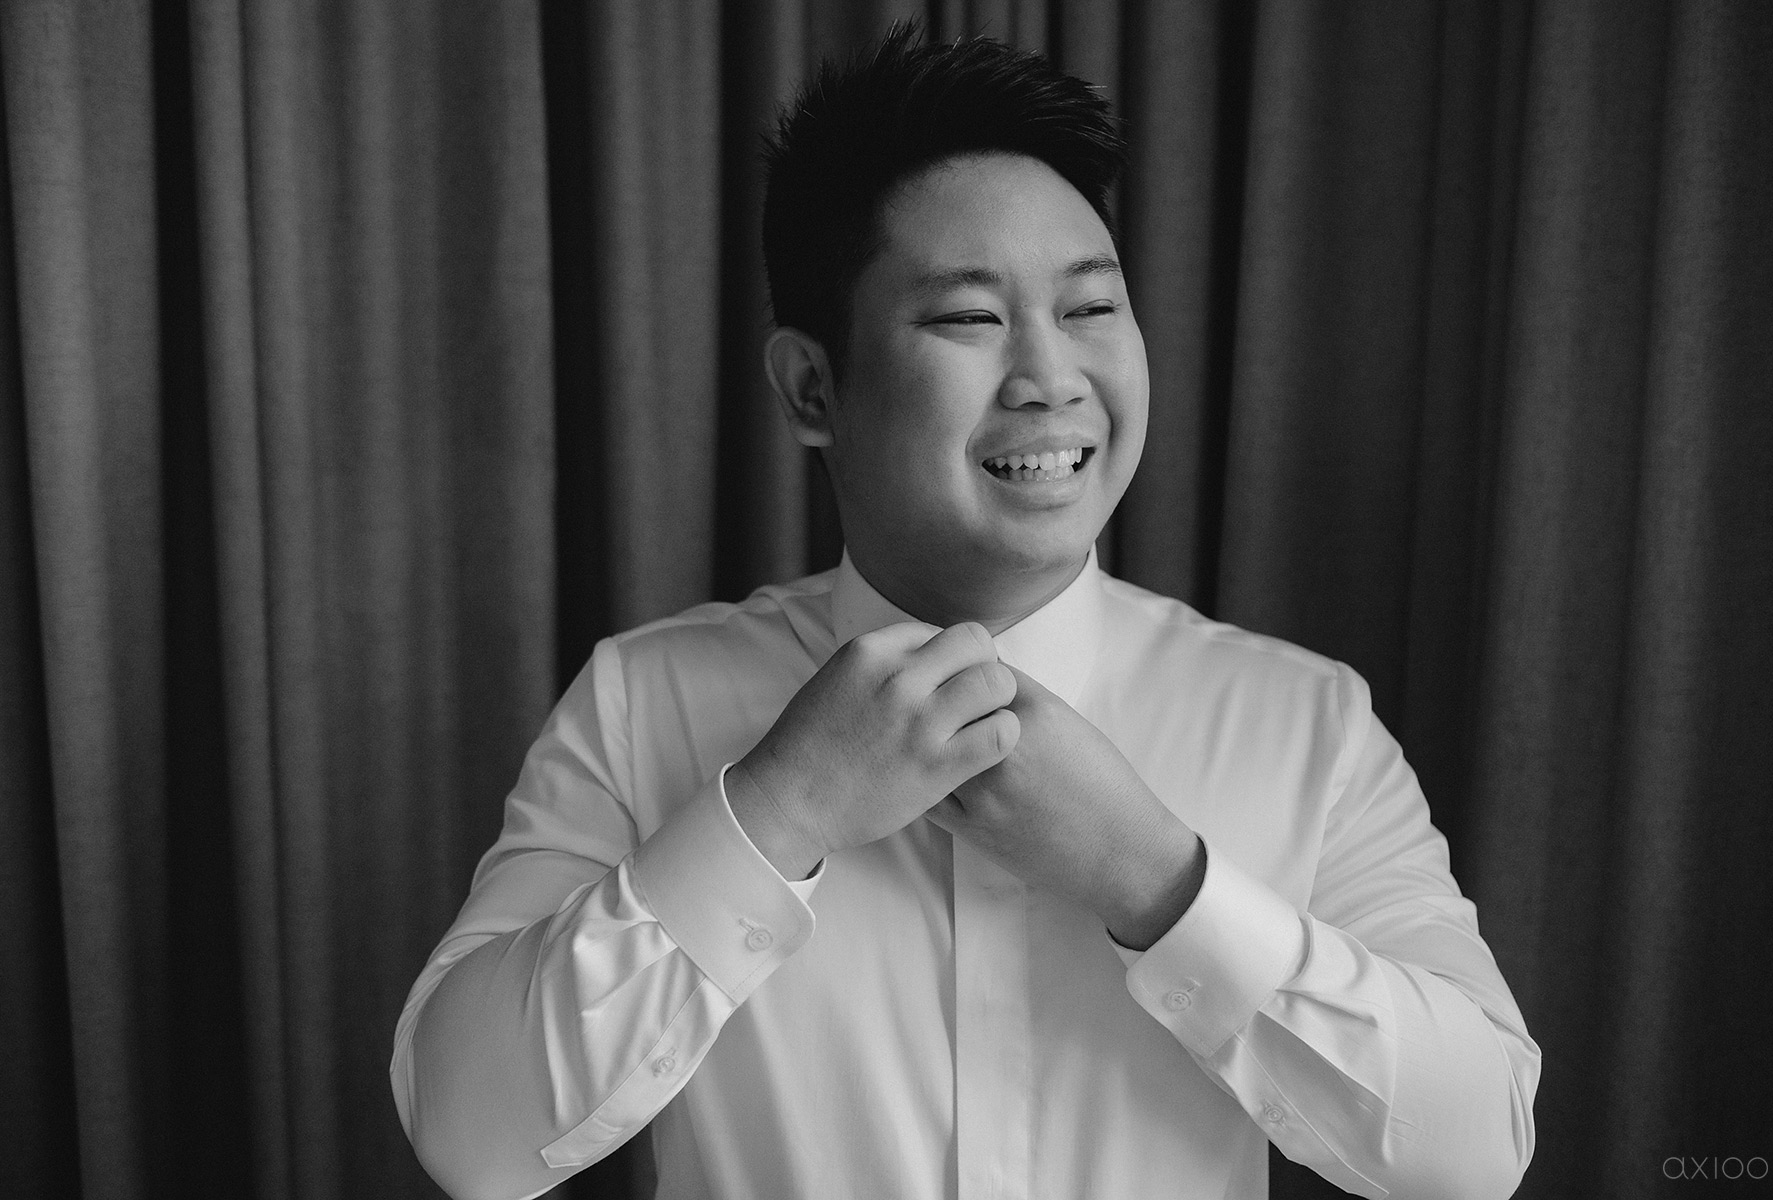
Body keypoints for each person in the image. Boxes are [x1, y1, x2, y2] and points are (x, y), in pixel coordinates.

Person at [392, 26, 1540, 1200]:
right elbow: (472, 1135)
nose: (1051, 378)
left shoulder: (1305, 721)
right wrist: (777, 812)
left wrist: (1157, 881)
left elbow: (1477, 1148)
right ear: (812, 387)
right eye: (969, 320)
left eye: (1091, 307)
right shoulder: (644, 703)